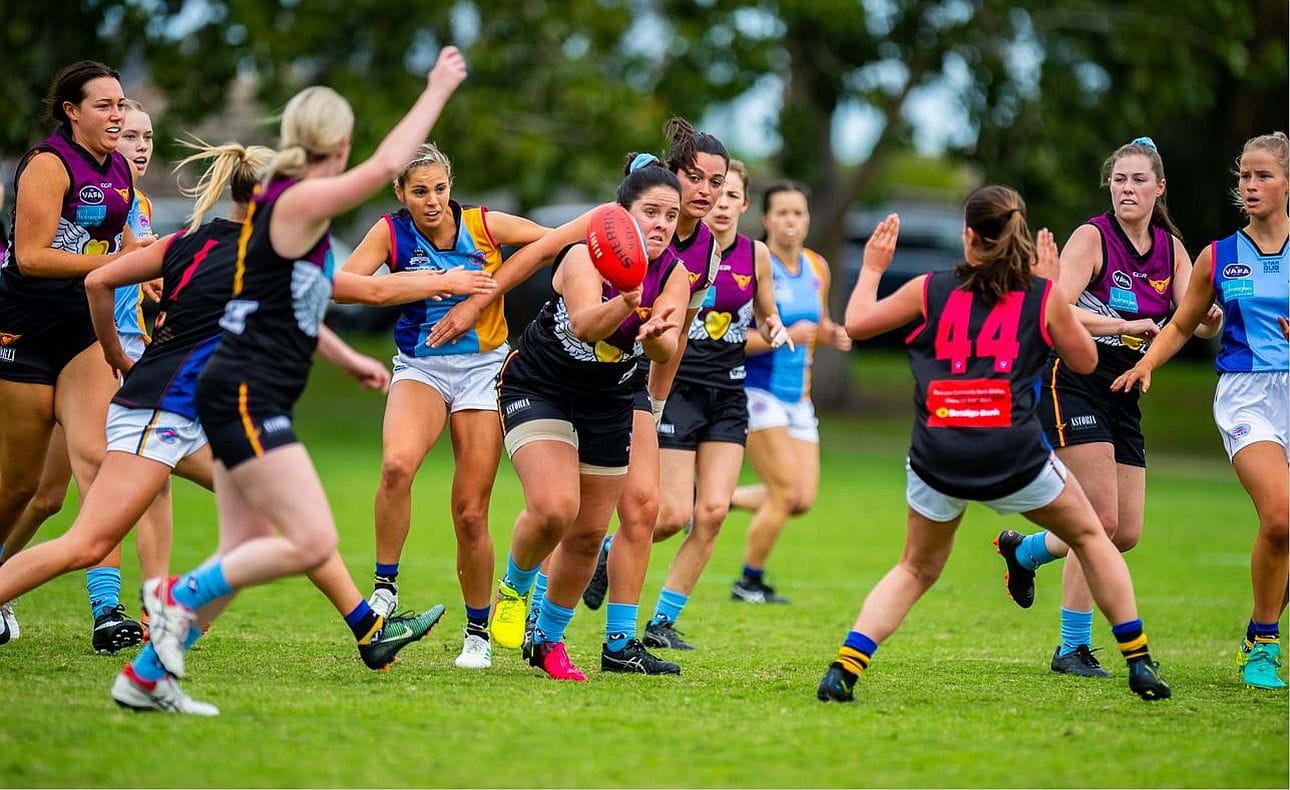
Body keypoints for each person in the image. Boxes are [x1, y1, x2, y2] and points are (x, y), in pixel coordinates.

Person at [125, 47, 469, 714]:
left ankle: (144, 679)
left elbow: (311, 300)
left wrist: (345, 357)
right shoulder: (301, 197)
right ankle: (171, 595)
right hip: (246, 392)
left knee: (243, 549)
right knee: (308, 541)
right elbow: (385, 168)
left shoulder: (290, 208)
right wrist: (436, 88)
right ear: (337, 143)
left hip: (242, 389)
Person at [816, 186, 1171, 704]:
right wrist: (1051, 293)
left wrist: (872, 267)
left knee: (915, 568)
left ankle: (844, 670)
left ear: (968, 237)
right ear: (1020, 237)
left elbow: (858, 324)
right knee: (1093, 537)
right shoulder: (1040, 296)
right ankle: (1138, 662)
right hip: (1013, 454)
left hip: (938, 452)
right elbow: (1087, 361)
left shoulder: (929, 288)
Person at [993, 137, 1222, 678]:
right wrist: (1123, 324)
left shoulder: (1171, 249)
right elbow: (1056, 306)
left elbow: (1191, 317)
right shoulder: (1092, 237)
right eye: (1119, 180)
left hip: (1125, 388)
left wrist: (1210, 317)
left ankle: (1025, 553)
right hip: (1075, 378)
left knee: (1126, 531)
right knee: (1099, 519)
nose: (1127, 189)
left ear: (1159, 188)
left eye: (1139, 180)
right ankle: (1071, 647)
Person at [341, 143, 547, 670]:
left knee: (471, 512)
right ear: (400, 193)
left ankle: (477, 631)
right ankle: (385, 586)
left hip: (483, 370)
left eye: (439, 189)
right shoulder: (390, 233)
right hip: (421, 367)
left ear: (451, 186)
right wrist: (436, 282)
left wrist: (481, 297)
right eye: (419, 191)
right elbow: (346, 288)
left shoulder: (483, 225)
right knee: (396, 465)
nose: (432, 201)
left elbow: (549, 244)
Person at [488, 158, 689, 681]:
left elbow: (667, 348)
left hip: (610, 400)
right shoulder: (582, 255)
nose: (662, 224)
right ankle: (514, 588)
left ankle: (548, 641)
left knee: (589, 533)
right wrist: (628, 304)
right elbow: (583, 324)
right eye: (651, 212)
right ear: (622, 214)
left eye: (670, 215)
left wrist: (656, 335)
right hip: (540, 387)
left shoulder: (674, 274)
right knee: (555, 507)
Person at [1112, 132, 1289, 689]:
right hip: (1247, 396)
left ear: (1287, 184)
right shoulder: (1219, 256)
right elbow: (1182, 324)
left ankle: (1258, 630)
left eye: (1263, 176)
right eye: (1245, 176)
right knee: (1281, 517)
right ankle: (1265, 645)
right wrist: (1147, 364)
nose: (1250, 185)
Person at [0, 61, 149, 652]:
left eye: (120, 104)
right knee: (20, 488)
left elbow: (121, 243)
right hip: (22, 335)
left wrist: (148, 263)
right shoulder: (48, 164)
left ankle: (106, 608)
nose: (116, 116)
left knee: (98, 463)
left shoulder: (118, 169)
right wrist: (116, 264)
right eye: (104, 106)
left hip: (82, 333)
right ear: (72, 111)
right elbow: (31, 257)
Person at [644, 159, 784, 650]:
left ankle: (662, 623)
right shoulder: (681, 250)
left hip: (728, 394)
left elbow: (766, 314)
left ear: (745, 205)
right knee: (670, 516)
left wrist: (775, 328)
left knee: (714, 512)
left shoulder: (756, 255)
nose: (722, 205)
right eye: (717, 195)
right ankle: (607, 550)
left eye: (732, 196)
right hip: (679, 388)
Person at [728, 182, 850, 603]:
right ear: (766, 219)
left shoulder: (817, 266)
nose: (791, 221)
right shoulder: (755, 264)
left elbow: (819, 322)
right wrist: (783, 337)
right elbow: (731, 338)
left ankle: (708, 499)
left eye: (798, 213)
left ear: (808, 218)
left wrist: (833, 333)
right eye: (782, 213)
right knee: (783, 493)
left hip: (799, 396)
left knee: (801, 499)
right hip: (758, 391)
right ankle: (749, 582)